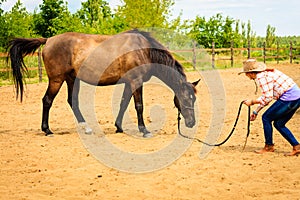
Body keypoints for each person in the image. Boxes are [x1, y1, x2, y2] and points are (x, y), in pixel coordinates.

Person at [239, 58, 300, 156]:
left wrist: (252, 101)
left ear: (250, 73)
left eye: (246, 74)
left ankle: (269, 146)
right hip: (296, 97)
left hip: (288, 98)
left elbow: (268, 98)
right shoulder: (266, 73)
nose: (247, 76)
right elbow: (266, 97)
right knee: (279, 124)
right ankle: (297, 146)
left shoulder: (261, 77)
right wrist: (256, 111)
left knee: (266, 118)